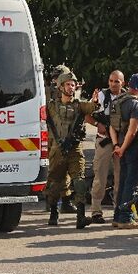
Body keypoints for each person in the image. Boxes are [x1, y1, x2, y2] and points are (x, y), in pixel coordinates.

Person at [46, 71, 97, 228]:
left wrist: (95, 101)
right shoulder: (51, 106)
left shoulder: (79, 105)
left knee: (79, 181)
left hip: (75, 149)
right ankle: (53, 213)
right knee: (55, 183)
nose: (71, 87)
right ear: (61, 86)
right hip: (57, 149)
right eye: (68, 84)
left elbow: (92, 107)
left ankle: (80, 217)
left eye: (73, 84)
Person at [108, 74, 138, 228]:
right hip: (134, 147)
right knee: (130, 184)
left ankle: (117, 216)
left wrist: (117, 146)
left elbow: (111, 126)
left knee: (124, 181)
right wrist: (124, 147)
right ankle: (125, 218)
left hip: (120, 146)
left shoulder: (117, 101)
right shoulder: (135, 104)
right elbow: (132, 130)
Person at [88, 70, 125, 219]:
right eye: (111, 81)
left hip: (120, 142)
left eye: (117, 81)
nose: (113, 84)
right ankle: (96, 210)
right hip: (104, 140)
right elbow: (86, 114)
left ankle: (119, 208)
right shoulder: (101, 96)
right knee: (100, 176)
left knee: (120, 176)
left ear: (123, 82)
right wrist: (98, 124)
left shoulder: (127, 97)